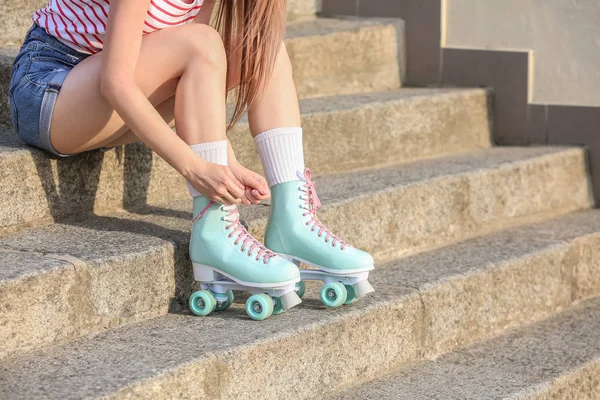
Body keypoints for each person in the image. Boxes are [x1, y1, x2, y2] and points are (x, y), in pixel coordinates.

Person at [8, 0, 374, 320]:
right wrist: (195, 168)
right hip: (53, 92)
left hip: (111, 103)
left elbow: (200, 79)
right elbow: (116, 83)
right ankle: (214, 230)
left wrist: (225, 164)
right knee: (201, 41)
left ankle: (293, 220)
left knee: (264, 46)